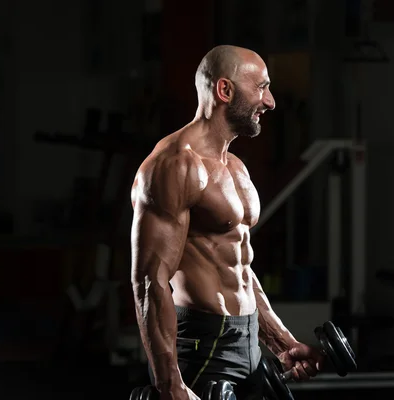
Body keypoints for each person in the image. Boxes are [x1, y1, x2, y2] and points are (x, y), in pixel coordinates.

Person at [130, 45, 324, 400]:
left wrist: (282, 341)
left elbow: (240, 268)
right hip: (204, 348)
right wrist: (170, 385)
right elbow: (149, 281)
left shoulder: (235, 167)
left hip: (247, 344)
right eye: (261, 88)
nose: (271, 102)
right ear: (225, 91)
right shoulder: (174, 166)